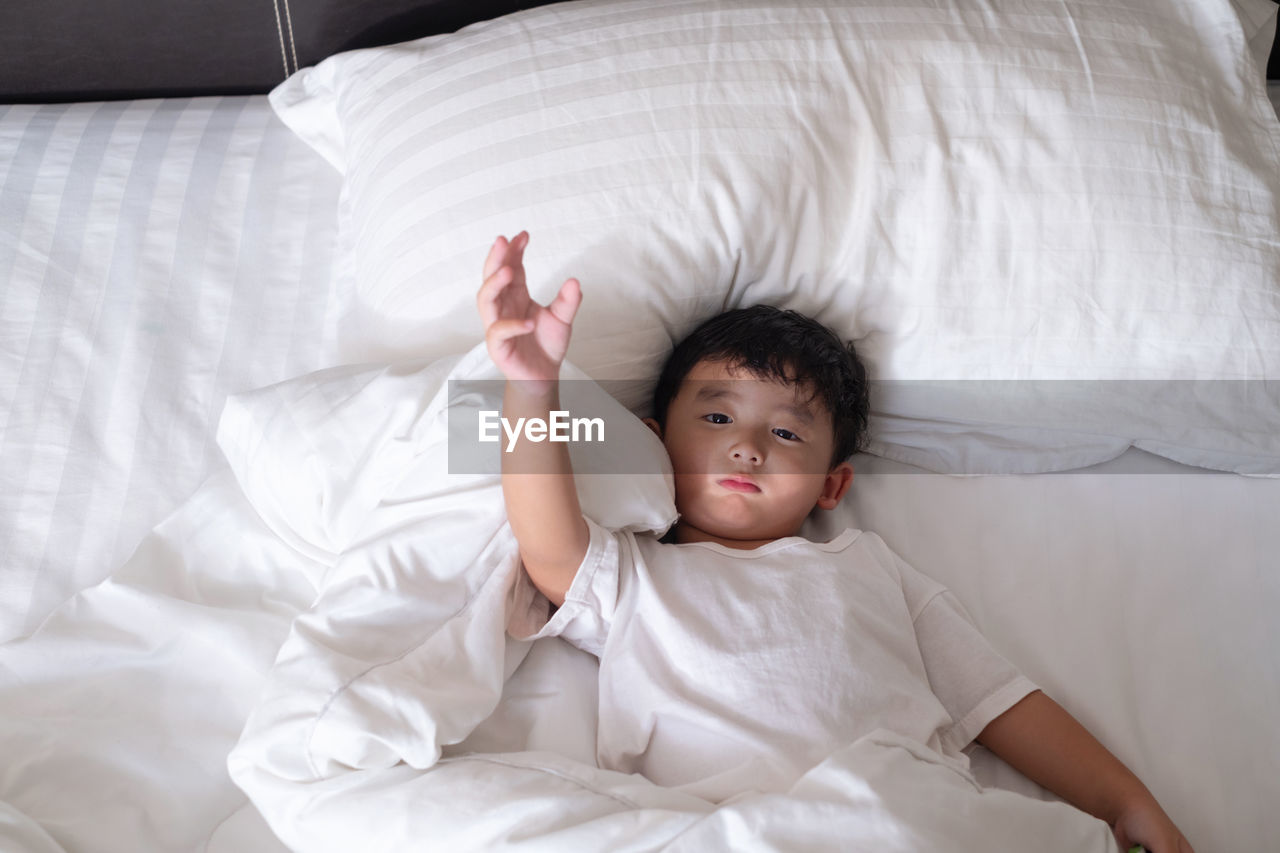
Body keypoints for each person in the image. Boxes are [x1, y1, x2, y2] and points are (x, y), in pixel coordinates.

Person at [476, 231, 1194, 853]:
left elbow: (999, 701)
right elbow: (548, 545)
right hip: (740, 823)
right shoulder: (639, 579)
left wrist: (1124, 799)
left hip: (910, 813)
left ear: (831, 485)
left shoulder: (872, 567)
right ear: (659, 446)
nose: (749, 446)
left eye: (787, 432)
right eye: (718, 417)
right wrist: (530, 389)